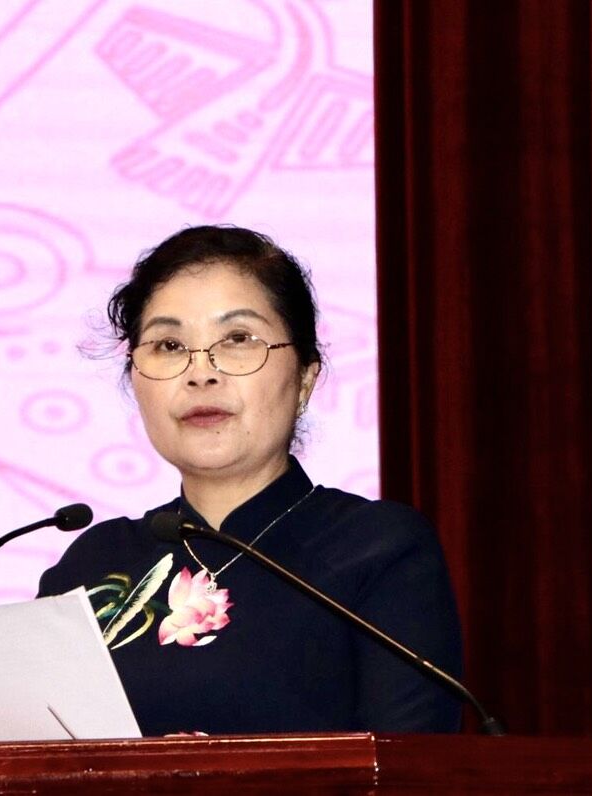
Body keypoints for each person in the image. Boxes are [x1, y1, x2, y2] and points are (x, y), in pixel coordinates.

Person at [38, 225, 462, 735]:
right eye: (169, 345)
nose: (200, 373)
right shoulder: (92, 566)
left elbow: (409, 762)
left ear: (305, 377)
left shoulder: (376, 549)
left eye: (238, 340)